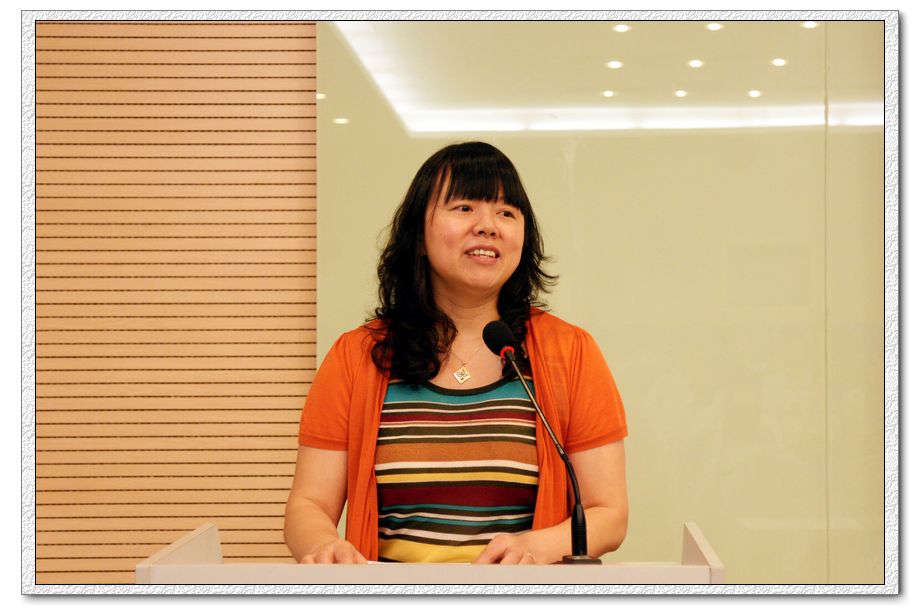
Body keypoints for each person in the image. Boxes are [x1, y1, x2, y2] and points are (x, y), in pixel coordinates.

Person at [284, 142, 628, 565]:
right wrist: (324, 546)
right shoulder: (357, 356)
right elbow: (308, 506)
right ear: (418, 236)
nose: (488, 226)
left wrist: (535, 547)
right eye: (464, 207)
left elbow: (608, 514)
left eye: (506, 212)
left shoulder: (571, 353)